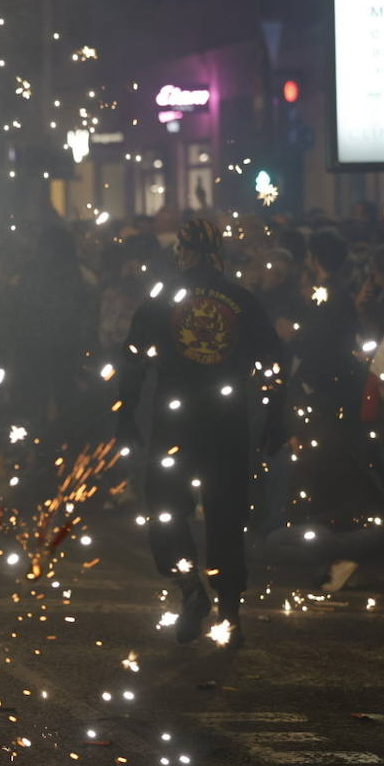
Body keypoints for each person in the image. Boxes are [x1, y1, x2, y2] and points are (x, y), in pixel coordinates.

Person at [115, 218, 285, 649]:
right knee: (227, 516)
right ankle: (230, 615)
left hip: (176, 421)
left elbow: (132, 359)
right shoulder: (243, 300)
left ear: (183, 253)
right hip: (227, 422)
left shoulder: (162, 299)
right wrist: (276, 416)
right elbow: (275, 361)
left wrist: (125, 414)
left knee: (165, 508)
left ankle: (190, 587)